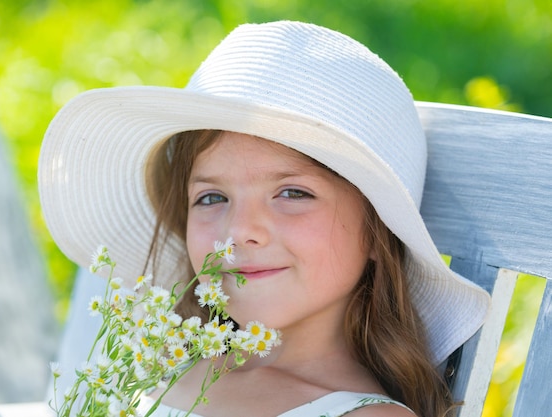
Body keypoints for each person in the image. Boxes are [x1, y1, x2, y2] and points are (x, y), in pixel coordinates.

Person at [38, 21, 490, 417]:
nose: (239, 232)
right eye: (212, 197)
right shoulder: (160, 369)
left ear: (378, 231)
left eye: (292, 193)